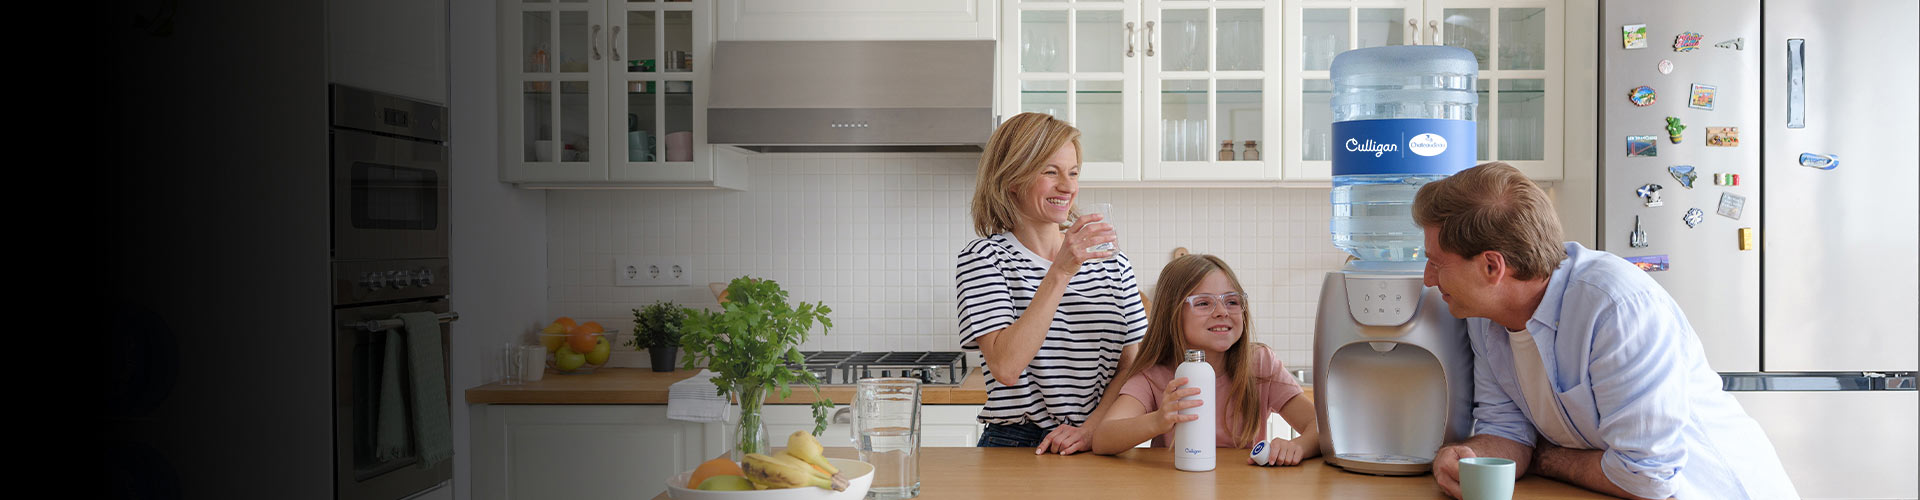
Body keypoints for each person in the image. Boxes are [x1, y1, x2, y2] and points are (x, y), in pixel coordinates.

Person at [1416, 162, 1796, 499]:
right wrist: (1468, 456)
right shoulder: (1484, 317)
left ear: (1491, 268)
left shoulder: (1616, 308)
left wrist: (1544, 457)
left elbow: (1648, 478)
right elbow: (1508, 431)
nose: (1428, 279)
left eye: (1436, 263)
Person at [955, 113, 1147, 455]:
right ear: (1012, 179)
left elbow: (1133, 363)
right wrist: (1060, 271)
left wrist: (1089, 431)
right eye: (1050, 172)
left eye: (1073, 173)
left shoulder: (1113, 261)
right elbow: (1006, 367)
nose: (1068, 187)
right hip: (1016, 444)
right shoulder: (985, 258)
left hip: (1099, 440)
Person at [1088, 254, 1320, 466]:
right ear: (1172, 313)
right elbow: (1103, 437)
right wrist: (1158, 420)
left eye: (1232, 301)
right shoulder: (1153, 374)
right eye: (1203, 303)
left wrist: (1297, 446)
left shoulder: (1258, 363)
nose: (1222, 311)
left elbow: (1321, 428)